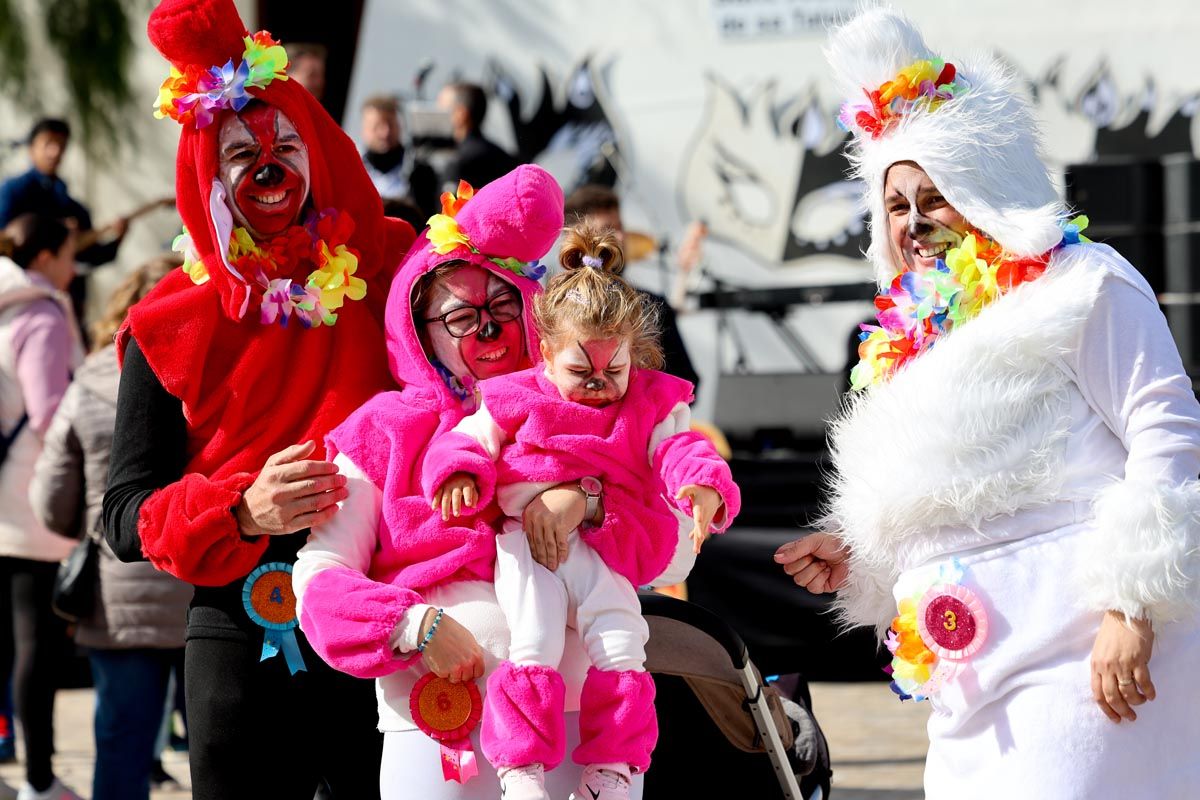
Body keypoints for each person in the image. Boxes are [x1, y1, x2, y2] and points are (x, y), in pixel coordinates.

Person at [774, 10, 1200, 799]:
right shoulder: (910, 341)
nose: (913, 223)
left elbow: (1168, 431)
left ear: (988, 187)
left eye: (934, 197)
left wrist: (1133, 604)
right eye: (896, 203)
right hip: (966, 686)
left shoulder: (1084, 283)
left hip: (1083, 656)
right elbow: (967, 496)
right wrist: (865, 551)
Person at [295, 166, 698, 799]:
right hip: (442, 726)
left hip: (584, 734)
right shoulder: (383, 432)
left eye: (503, 307)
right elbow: (319, 579)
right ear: (419, 328)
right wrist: (412, 626)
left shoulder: (591, 413)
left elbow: (675, 550)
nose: (487, 330)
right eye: (459, 317)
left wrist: (589, 504)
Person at [100, 1, 414, 797]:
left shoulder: (391, 273)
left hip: (393, 624)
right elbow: (124, 516)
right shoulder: (165, 321)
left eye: (285, 147)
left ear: (322, 151)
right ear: (208, 176)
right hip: (244, 627)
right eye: (240, 153)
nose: (266, 168)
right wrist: (242, 510)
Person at [424, 222, 740, 800]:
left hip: (606, 550)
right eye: (579, 373)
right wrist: (459, 474)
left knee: (622, 643)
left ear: (633, 356)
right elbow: (469, 439)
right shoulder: (517, 394)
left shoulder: (650, 402)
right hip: (529, 547)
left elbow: (681, 449)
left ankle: (614, 768)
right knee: (534, 641)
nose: (598, 385)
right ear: (545, 352)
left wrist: (703, 486)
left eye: (613, 372)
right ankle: (520, 769)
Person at [28, 255, 191, 800]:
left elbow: (52, 499)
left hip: (119, 589)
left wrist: (94, 522)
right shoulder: (210, 369)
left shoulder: (87, 382)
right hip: (209, 588)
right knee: (230, 752)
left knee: (121, 744)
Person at [0, 214, 84, 800]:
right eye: (70, 254)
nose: (75, 267)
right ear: (48, 256)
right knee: (35, 647)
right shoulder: (41, 314)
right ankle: (37, 779)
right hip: (27, 504)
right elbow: (50, 411)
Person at [563, 185, 701, 389]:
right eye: (607, 230)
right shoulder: (553, 306)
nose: (619, 237)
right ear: (573, 239)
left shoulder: (651, 307)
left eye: (620, 228)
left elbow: (686, 383)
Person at [361, 95, 439, 218]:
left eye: (391, 125)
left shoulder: (420, 172)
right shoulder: (353, 170)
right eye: (377, 126)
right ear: (364, 129)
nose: (385, 133)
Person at [436, 82, 519, 190]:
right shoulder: (501, 155)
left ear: (460, 114)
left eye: (441, 110)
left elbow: (447, 205)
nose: (435, 116)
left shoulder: (460, 161)